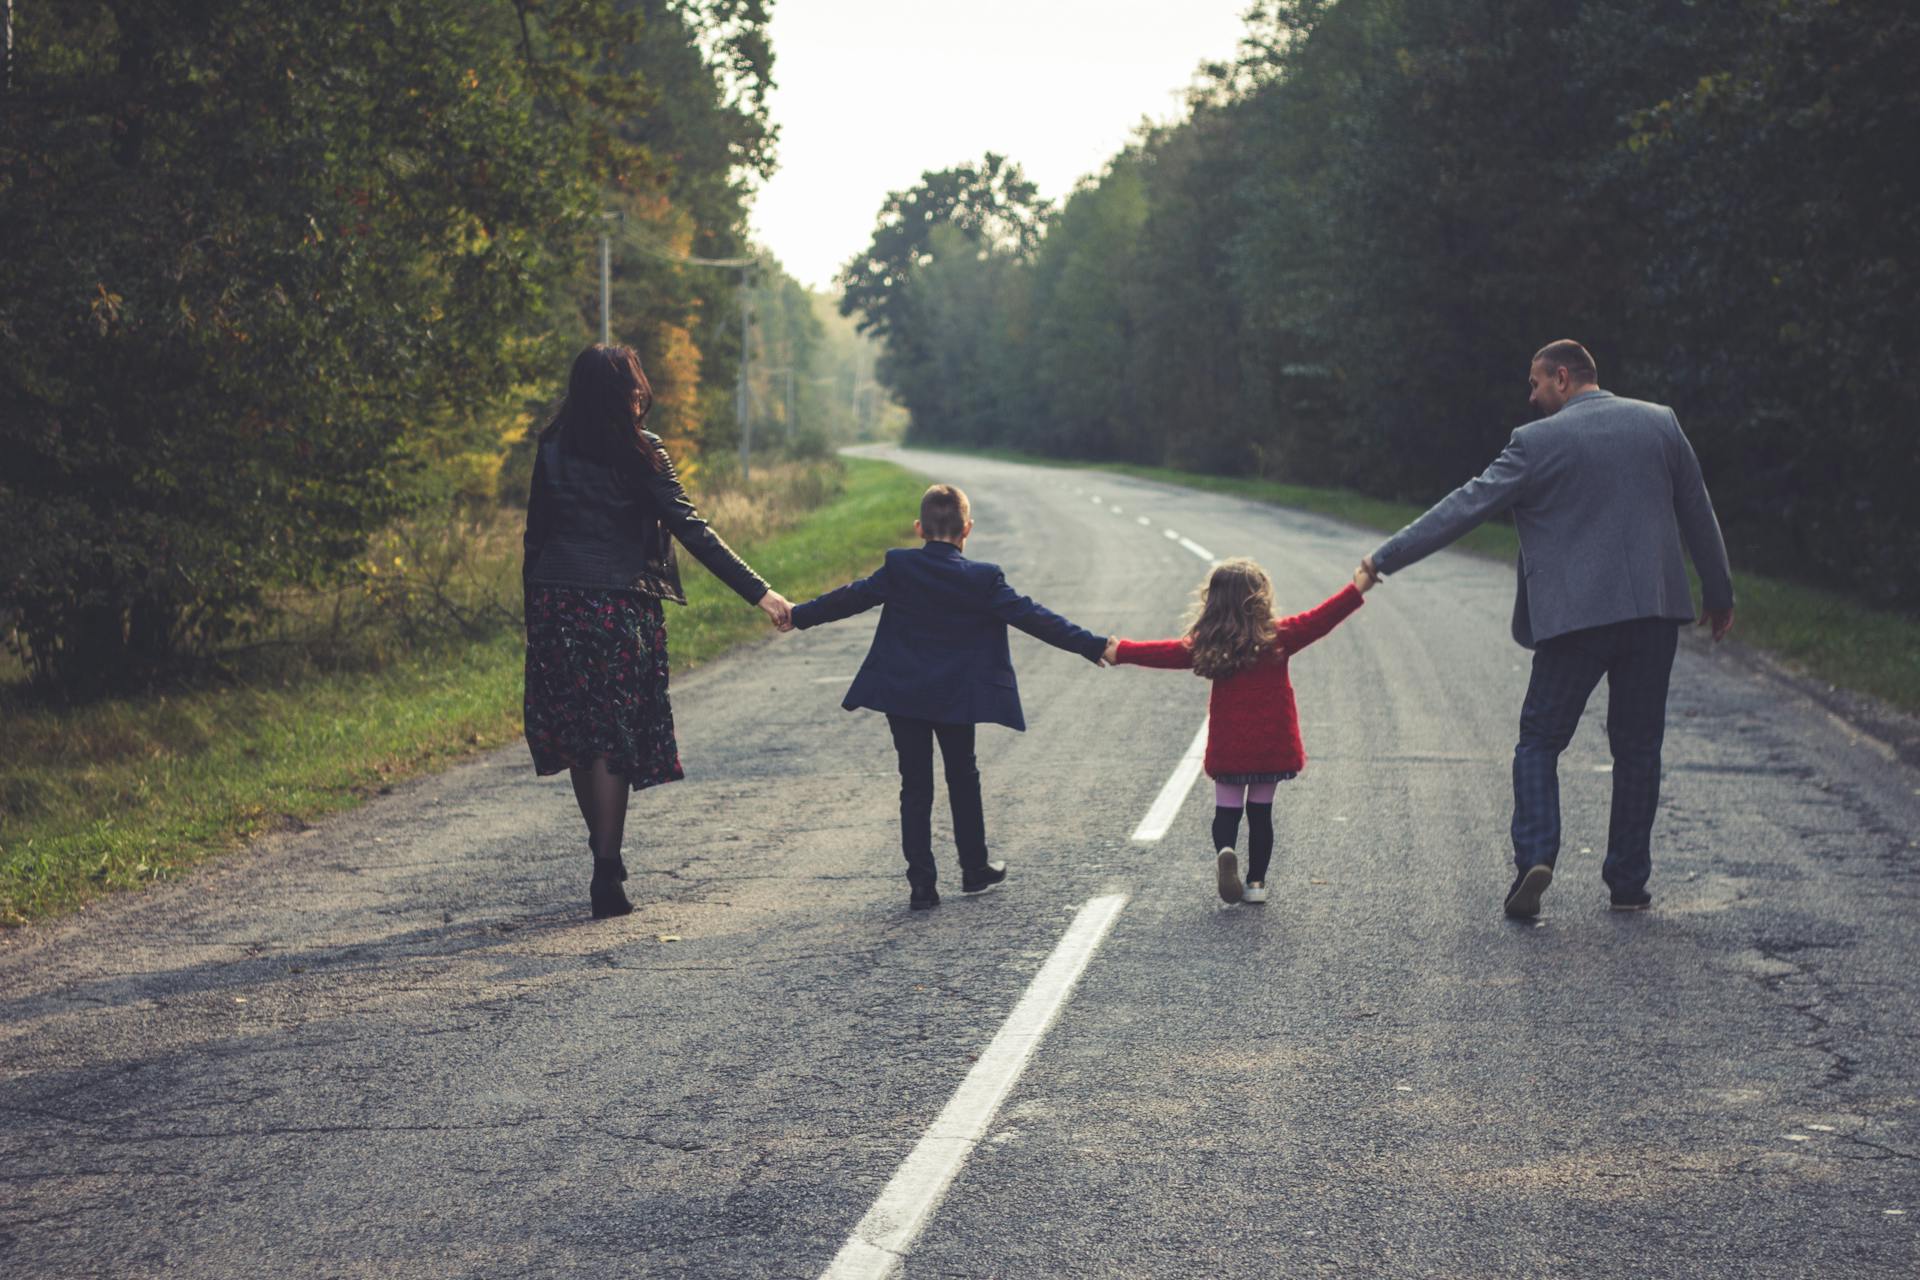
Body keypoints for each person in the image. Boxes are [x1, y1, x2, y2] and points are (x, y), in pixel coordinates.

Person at [1361, 339, 1734, 919]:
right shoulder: (1660, 424)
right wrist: (1720, 592)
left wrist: (1386, 557)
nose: (1531, 397)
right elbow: (1698, 512)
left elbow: (1466, 505)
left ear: (1563, 377)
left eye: (1535, 384)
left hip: (1575, 623)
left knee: (1539, 740)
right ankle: (1629, 884)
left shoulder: (1535, 443)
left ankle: (1536, 857)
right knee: (1638, 748)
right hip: (1655, 617)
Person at [522, 344, 791, 918]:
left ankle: (604, 856)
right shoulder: (643, 452)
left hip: (557, 603)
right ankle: (606, 870)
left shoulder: (552, 448)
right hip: (619, 609)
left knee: (577, 734)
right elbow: (693, 530)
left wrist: (533, 615)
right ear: (627, 391)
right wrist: (760, 592)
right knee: (612, 736)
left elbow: (535, 536)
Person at [784, 484, 1110, 910]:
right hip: (957, 698)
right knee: (963, 776)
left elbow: (851, 597)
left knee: (914, 785)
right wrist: (1092, 644)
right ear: (967, 530)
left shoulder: (899, 567)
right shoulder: (982, 578)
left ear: (919, 528)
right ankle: (974, 869)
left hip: (903, 695)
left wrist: (797, 615)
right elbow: (1034, 617)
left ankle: (922, 884)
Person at [1105, 559, 1373, 903]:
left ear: (1213, 601)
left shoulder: (1208, 644)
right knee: (1261, 814)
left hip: (1230, 746)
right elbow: (1323, 618)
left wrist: (1120, 651)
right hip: (1271, 745)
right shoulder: (1279, 636)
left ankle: (1226, 850)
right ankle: (1256, 884)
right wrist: (1358, 588)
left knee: (1226, 811)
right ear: (1259, 598)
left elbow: (1164, 653)